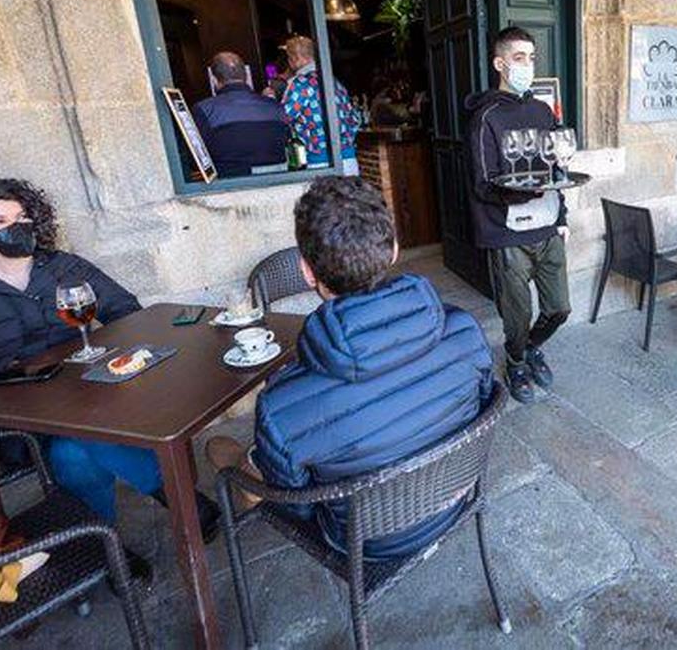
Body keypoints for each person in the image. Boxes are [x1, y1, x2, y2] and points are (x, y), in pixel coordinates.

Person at [0, 180, 219, 572]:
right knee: (72, 442)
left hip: (91, 396)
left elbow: (126, 311)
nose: (14, 227)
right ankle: (178, 498)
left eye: (21, 217)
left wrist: (117, 350)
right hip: (14, 423)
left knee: (75, 446)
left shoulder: (63, 268)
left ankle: (101, 546)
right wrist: (16, 365)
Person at [205, 176, 495, 559]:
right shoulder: (465, 332)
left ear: (307, 272)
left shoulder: (281, 405)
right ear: (393, 250)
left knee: (221, 451)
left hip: (364, 545)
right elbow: (484, 403)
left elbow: (298, 506)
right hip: (452, 501)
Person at [464, 26, 570, 404]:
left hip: (547, 224)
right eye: (519, 58)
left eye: (532, 57)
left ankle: (527, 349)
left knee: (559, 308)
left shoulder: (542, 110)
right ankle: (515, 362)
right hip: (507, 231)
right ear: (500, 63)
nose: (528, 65)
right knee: (516, 315)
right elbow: (480, 184)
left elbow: (557, 170)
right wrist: (522, 193)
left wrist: (563, 219)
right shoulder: (485, 117)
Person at [193, 51, 289, 177]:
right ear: (246, 77)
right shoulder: (275, 106)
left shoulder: (204, 109)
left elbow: (198, 156)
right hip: (281, 180)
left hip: (231, 185)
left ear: (214, 79)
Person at [280, 35, 362, 174]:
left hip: (320, 161)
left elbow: (284, 117)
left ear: (296, 58)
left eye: (289, 58)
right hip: (349, 158)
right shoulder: (335, 82)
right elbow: (355, 119)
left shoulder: (301, 83)